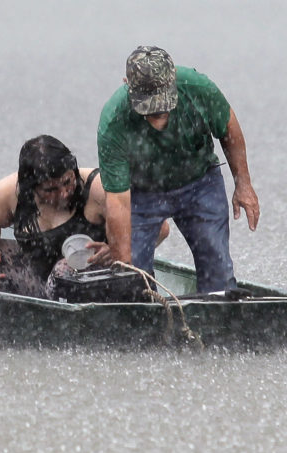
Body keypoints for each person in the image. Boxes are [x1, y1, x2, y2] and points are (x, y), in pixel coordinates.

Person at [97, 46, 260, 293]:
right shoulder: (114, 122)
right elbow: (118, 202)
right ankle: (143, 312)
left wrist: (243, 184)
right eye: (148, 111)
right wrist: (124, 266)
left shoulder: (198, 88)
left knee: (216, 263)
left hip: (200, 183)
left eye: (162, 109)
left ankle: (219, 314)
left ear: (173, 81)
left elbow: (229, 129)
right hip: (143, 193)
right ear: (126, 85)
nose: (157, 118)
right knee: (133, 275)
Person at [0, 135, 168, 300]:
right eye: (51, 189)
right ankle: (18, 317)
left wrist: (119, 249)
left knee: (65, 269)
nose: (63, 193)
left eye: (67, 182)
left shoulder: (99, 189)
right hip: (43, 288)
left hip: (105, 286)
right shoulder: (14, 192)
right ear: (32, 188)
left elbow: (160, 227)